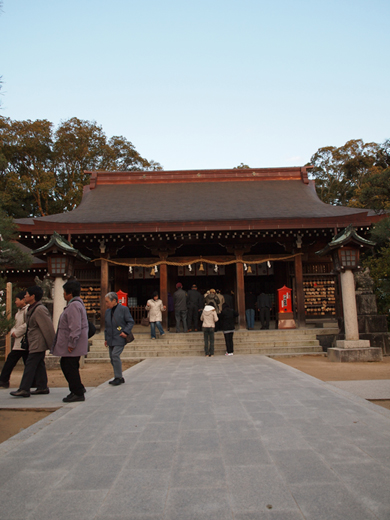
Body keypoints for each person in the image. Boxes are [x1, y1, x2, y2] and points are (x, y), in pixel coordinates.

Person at [10, 286, 55, 398]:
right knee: (39, 364)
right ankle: (42, 386)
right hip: (34, 341)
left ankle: (24, 388)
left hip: (38, 342)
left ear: (33, 296)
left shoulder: (40, 309)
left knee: (30, 365)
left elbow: (48, 328)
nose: (25, 296)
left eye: (27, 294)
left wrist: (53, 345)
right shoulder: (32, 308)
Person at [51, 280, 88, 402]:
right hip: (74, 342)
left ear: (70, 293)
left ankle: (77, 391)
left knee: (68, 366)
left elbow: (75, 326)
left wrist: (72, 342)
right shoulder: (77, 305)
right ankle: (78, 388)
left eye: (64, 292)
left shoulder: (73, 306)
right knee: (70, 365)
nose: (63, 294)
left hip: (72, 344)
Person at [104, 292, 134, 386]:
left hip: (120, 336)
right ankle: (118, 375)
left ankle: (118, 377)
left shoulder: (124, 309)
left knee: (115, 355)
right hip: (110, 337)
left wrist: (125, 332)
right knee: (112, 358)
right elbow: (106, 326)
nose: (106, 304)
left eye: (107, 301)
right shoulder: (107, 311)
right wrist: (106, 338)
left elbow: (130, 321)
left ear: (114, 300)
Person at [0, 291, 29, 389]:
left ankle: (3, 380)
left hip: (23, 341)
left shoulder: (27, 310)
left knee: (11, 361)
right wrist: (13, 331)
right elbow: (14, 324)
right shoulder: (18, 313)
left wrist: (16, 332)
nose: (15, 302)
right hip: (19, 342)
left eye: (16, 300)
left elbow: (27, 325)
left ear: (22, 300)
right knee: (26, 363)